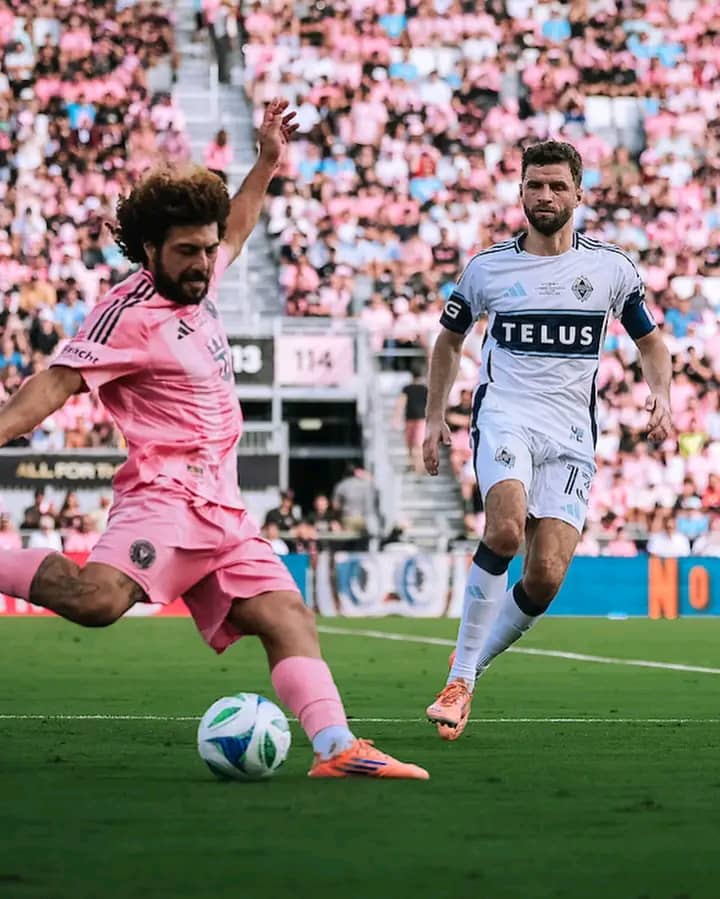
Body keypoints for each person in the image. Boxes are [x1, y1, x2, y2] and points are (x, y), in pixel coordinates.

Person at [0, 98, 427, 781]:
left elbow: (242, 221)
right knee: (98, 601)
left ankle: (337, 750)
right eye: (187, 252)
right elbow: (53, 385)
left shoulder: (202, 271)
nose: (204, 262)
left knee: (288, 612)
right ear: (150, 251)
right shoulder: (127, 312)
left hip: (222, 509)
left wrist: (264, 163)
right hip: (163, 499)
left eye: (206, 247)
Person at [423, 141, 673, 740]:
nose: (546, 196)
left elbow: (651, 342)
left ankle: (466, 672)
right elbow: (449, 342)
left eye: (558, 187)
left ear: (579, 194)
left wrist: (662, 394)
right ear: (521, 193)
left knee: (545, 576)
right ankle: (459, 678)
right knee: (505, 530)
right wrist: (434, 416)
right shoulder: (487, 269)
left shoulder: (611, 269)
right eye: (535, 185)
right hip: (506, 416)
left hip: (570, 437)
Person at [393, 364, 428, 474]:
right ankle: (417, 467)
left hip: (410, 419)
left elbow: (401, 403)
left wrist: (396, 417)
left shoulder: (407, 388)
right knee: (417, 445)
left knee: (411, 444)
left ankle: (415, 467)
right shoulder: (425, 389)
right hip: (421, 419)